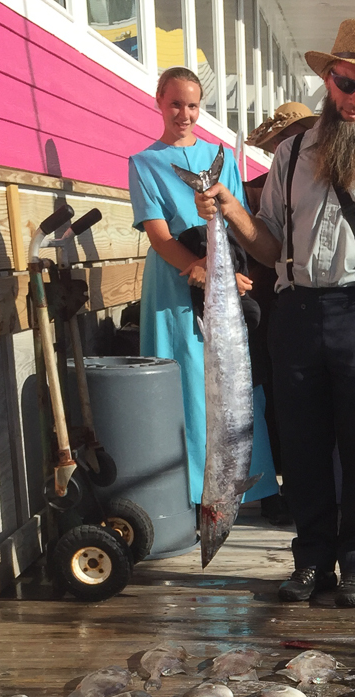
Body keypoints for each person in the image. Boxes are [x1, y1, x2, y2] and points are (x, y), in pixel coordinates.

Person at [194, 20, 355, 607]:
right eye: (347, 84)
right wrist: (233, 209)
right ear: (327, 81)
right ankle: (311, 561)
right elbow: (268, 247)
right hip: (296, 313)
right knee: (303, 446)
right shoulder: (290, 155)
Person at [128, 67, 280, 518]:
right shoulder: (143, 163)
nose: (185, 114)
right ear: (159, 101)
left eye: (193, 105)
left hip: (221, 279)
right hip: (175, 286)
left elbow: (237, 224)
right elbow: (158, 236)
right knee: (187, 387)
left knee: (235, 383)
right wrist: (196, 268)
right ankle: (192, 494)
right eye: (176, 103)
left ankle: (248, 487)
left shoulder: (221, 158)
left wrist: (226, 272)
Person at [244, 102, 319, 526]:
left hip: (304, 302)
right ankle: (270, 490)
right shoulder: (250, 188)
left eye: (297, 134)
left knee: (302, 400)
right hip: (263, 304)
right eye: (281, 139)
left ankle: (298, 484)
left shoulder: (317, 182)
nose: (287, 145)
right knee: (266, 396)